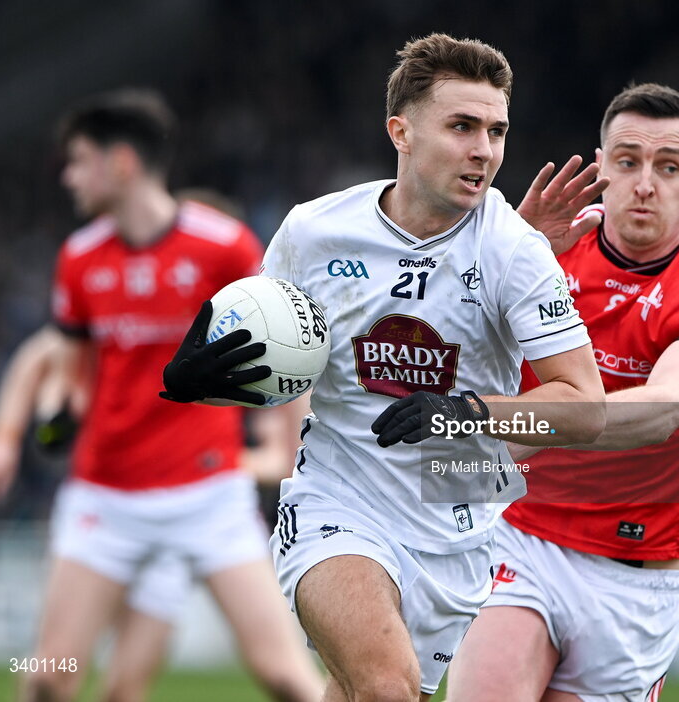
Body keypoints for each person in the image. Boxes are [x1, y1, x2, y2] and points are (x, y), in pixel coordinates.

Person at [159, 33, 607, 702]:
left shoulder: (516, 251)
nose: (483, 148)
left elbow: (585, 407)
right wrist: (203, 386)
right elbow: (277, 367)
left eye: (496, 130)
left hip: (456, 524)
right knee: (386, 689)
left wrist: (465, 415)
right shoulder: (313, 233)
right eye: (461, 126)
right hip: (338, 501)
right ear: (400, 130)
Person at [0, 89, 324, 702]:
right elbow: (58, 362)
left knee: (286, 676)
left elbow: (284, 348)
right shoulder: (79, 260)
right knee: (50, 676)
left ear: (121, 163)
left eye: (78, 161)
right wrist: (26, 426)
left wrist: (297, 446)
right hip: (106, 495)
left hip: (208, 495)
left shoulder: (224, 246)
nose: (69, 178)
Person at [448, 83, 679, 701]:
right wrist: (505, 253)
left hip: (639, 581)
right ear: (602, 168)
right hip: (523, 535)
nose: (645, 183)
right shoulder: (542, 247)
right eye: (627, 162)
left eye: (668, 167)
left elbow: (660, 411)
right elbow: (447, 337)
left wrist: (483, 421)